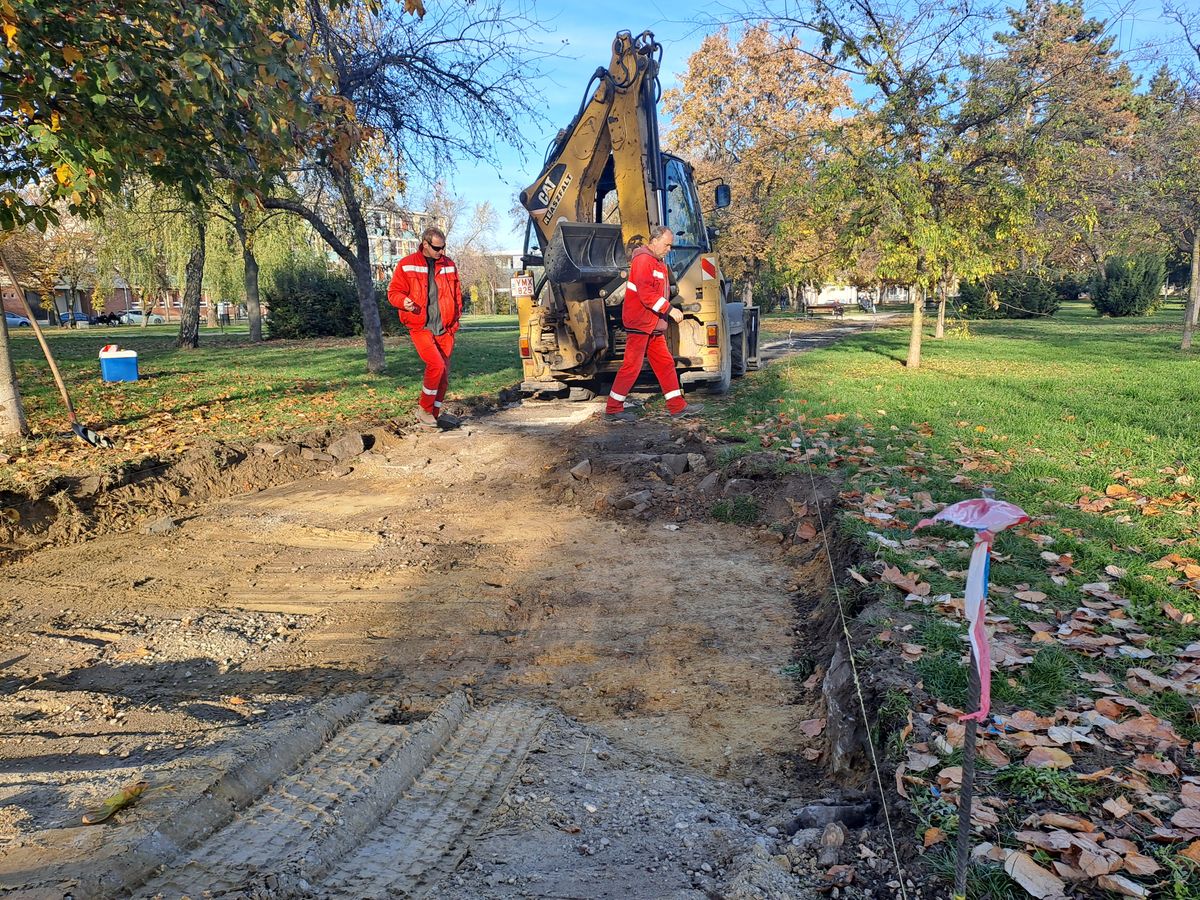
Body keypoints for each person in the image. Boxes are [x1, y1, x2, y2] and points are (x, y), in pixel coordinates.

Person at [605, 224, 703, 424]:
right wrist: (670, 309)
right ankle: (613, 409)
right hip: (641, 323)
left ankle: (677, 407)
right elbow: (646, 293)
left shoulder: (657, 263)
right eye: (666, 245)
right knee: (632, 366)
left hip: (651, 325)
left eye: (670, 246)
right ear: (654, 241)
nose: (669, 249)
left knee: (665, 363)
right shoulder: (643, 260)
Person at [387, 226, 463, 428]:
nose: (441, 252)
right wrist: (404, 302)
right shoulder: (406, 265)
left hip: (445, 329)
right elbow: (393, 292)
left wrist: (454, 322)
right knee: (435, 366)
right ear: (425, 244)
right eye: (437, 248)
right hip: (420, 326)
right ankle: (424, 409)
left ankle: (433, 415)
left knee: (444, 376)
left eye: (444, 247)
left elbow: (457, 296)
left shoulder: (449, 265)